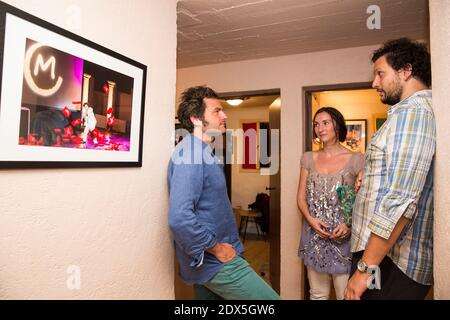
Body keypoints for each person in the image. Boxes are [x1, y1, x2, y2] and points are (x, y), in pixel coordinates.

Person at [168, 86, 280, 300]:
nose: (224, 115)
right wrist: (216, 248)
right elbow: (179, 218)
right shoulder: (189, 154)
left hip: (211, 262)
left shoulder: (202, 151)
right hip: (215, 262)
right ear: (196, 119)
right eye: (216, 111)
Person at [344, 38, 435, 300]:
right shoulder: (406, 113)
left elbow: (400, 202)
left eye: (380, 73)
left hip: (391, 260)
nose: (374, 83)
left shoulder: (413, 113)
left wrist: (365, 269)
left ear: (405, 71)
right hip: (383, 255)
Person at [297, 107, 364, 300]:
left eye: (325, 123)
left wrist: (349, 225)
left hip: (343, 240)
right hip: (314, 237)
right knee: (317, 294)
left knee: (346, 295)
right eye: (316, 124)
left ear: (337, 125)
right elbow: (300, 197)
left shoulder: (356, 160)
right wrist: (311, 221)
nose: (320, 128)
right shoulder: (308, 158)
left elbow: (362, 201)